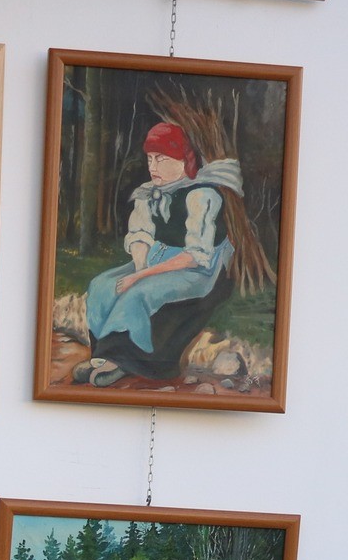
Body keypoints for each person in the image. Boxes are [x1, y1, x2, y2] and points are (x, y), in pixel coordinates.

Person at [73, 121, 244, 388]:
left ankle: (123, 361)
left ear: (184, 161)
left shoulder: (202, 195)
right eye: (150, 158)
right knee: (102, 286)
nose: (153, 167)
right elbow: (140, 236)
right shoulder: (149, 193)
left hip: (199, 269)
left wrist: (140, 277)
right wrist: (140, 267)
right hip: (157, 258)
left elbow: (195, 256)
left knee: (138, 294)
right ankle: (102, 356)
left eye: (161, 159)